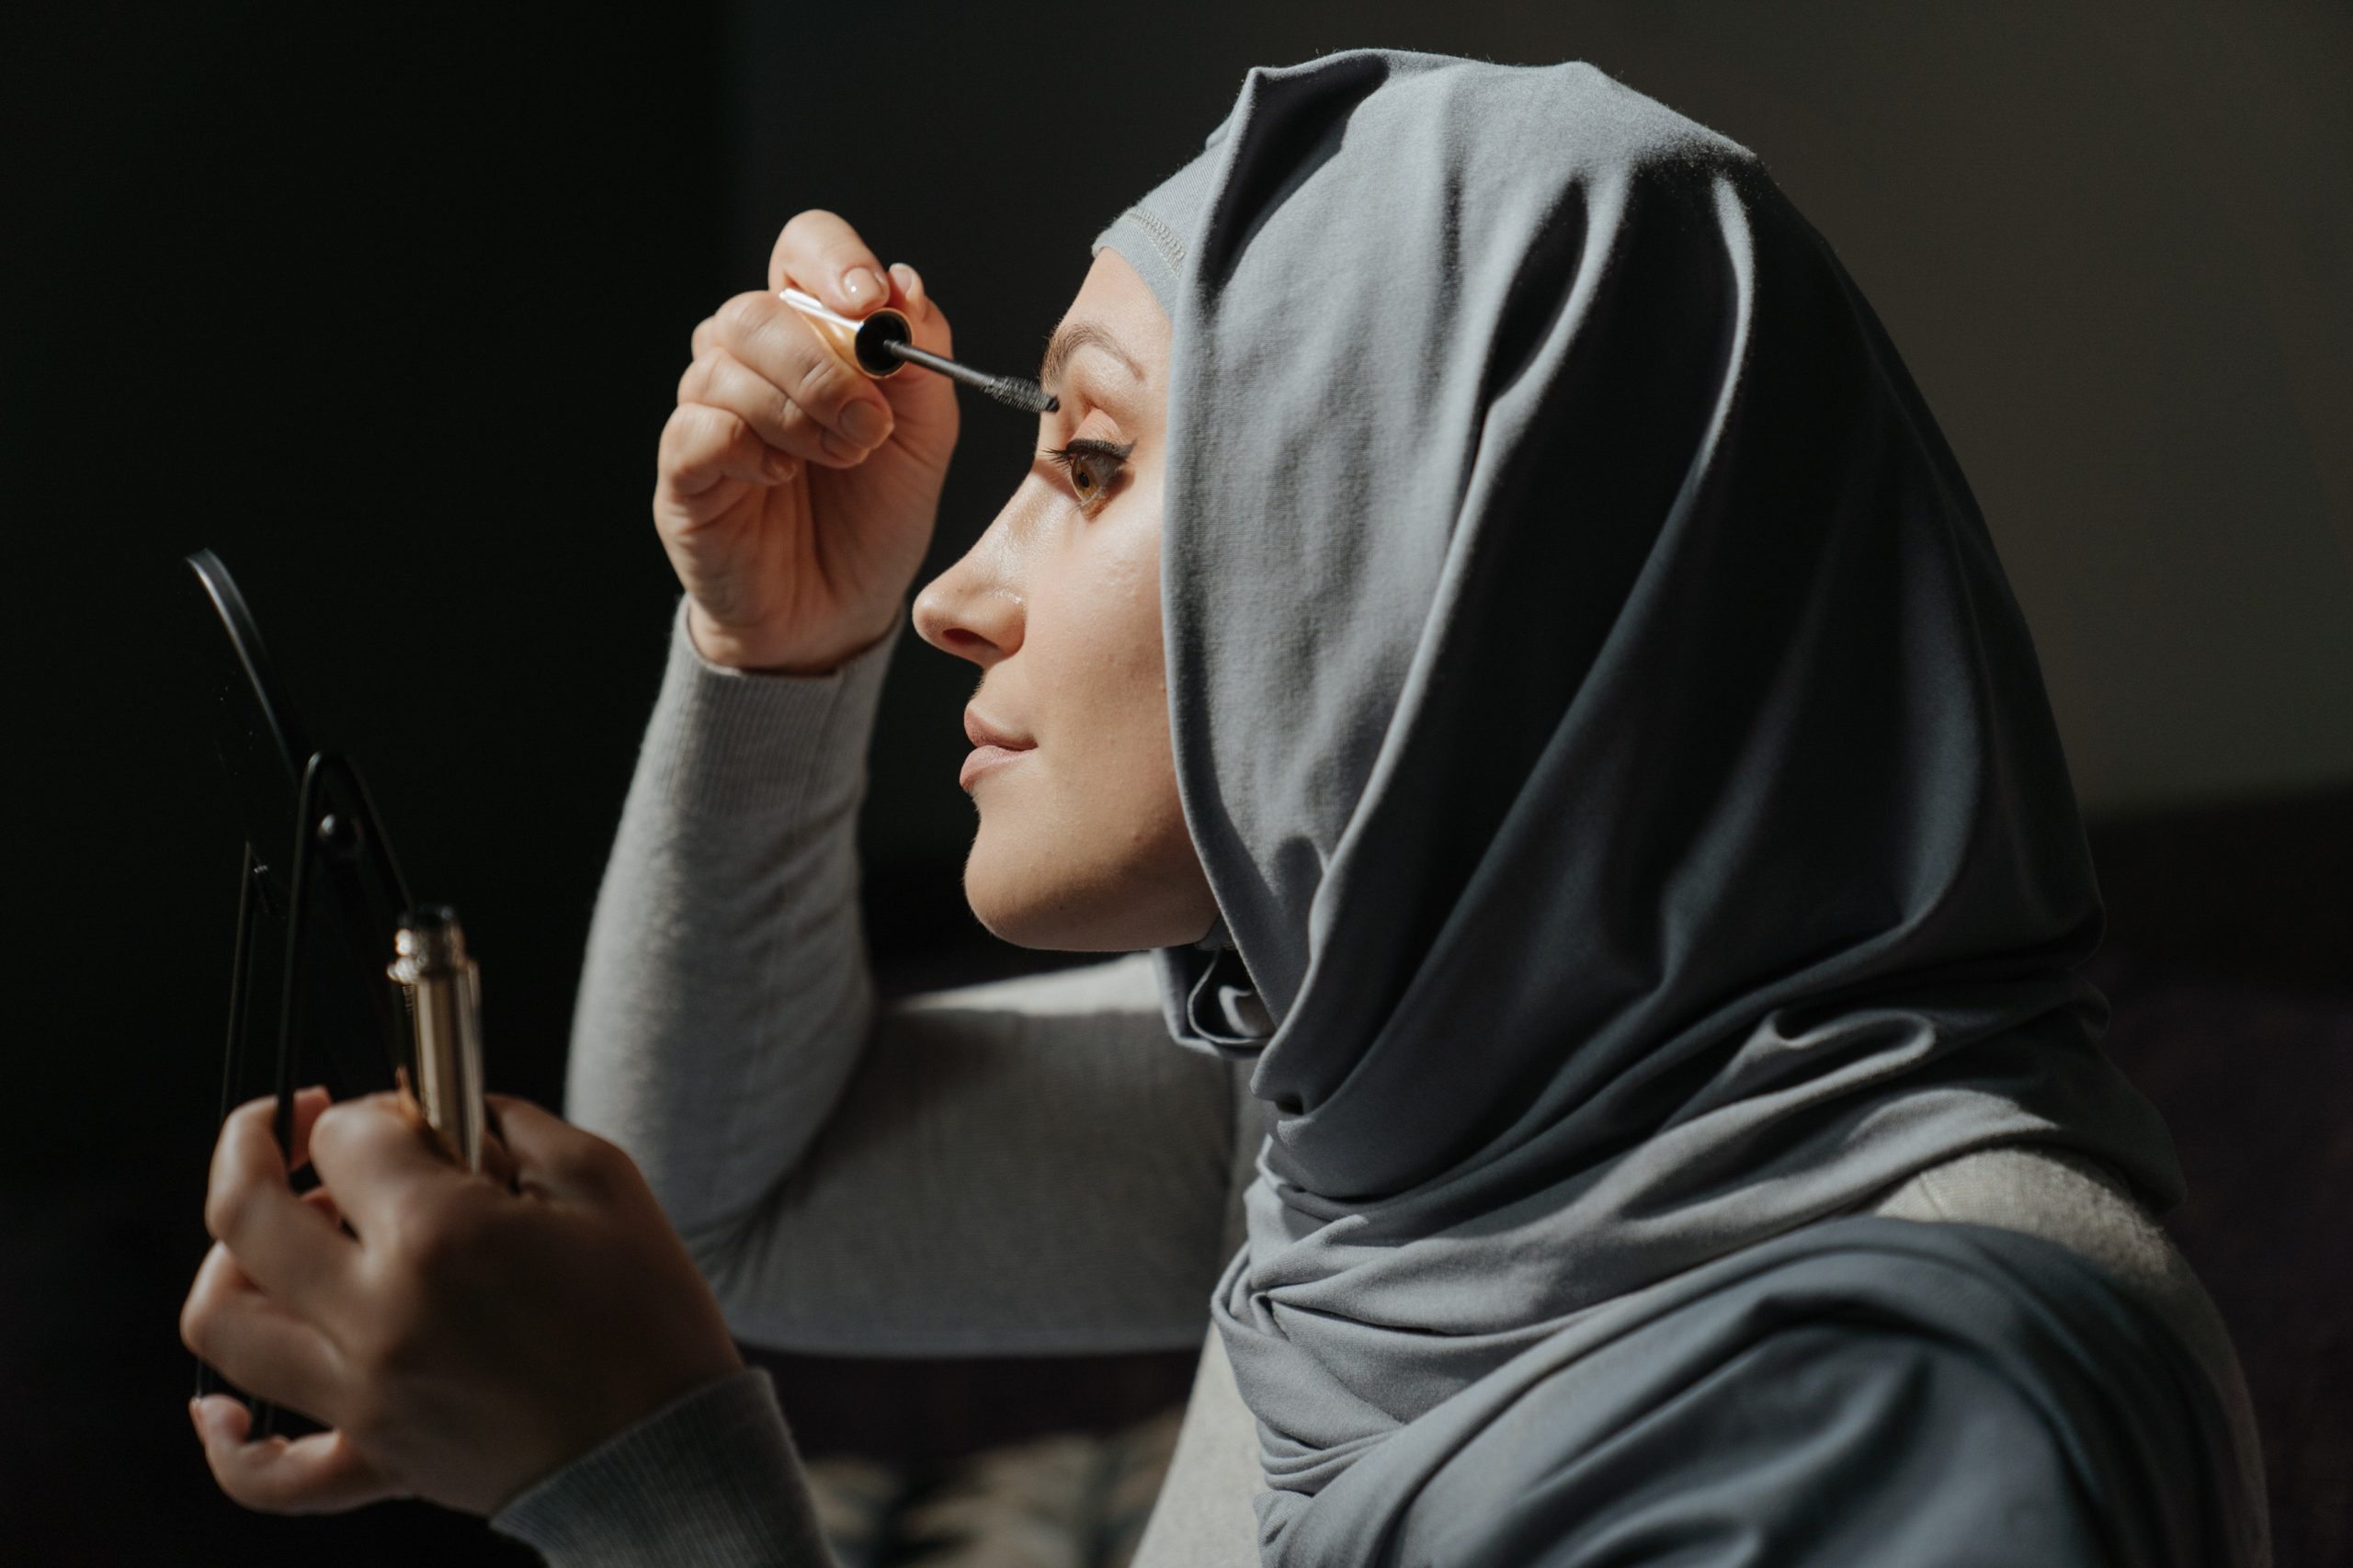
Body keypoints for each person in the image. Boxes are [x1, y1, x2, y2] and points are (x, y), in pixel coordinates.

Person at [183, 49, 2269, 1566]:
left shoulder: (1910, 1404)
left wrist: (648, 1494)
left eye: (1081, 459)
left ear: (1434, 579)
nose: (956, 594)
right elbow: (732, 1204)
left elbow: (679, 1279)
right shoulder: (1384, 1129)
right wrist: (769, 659)